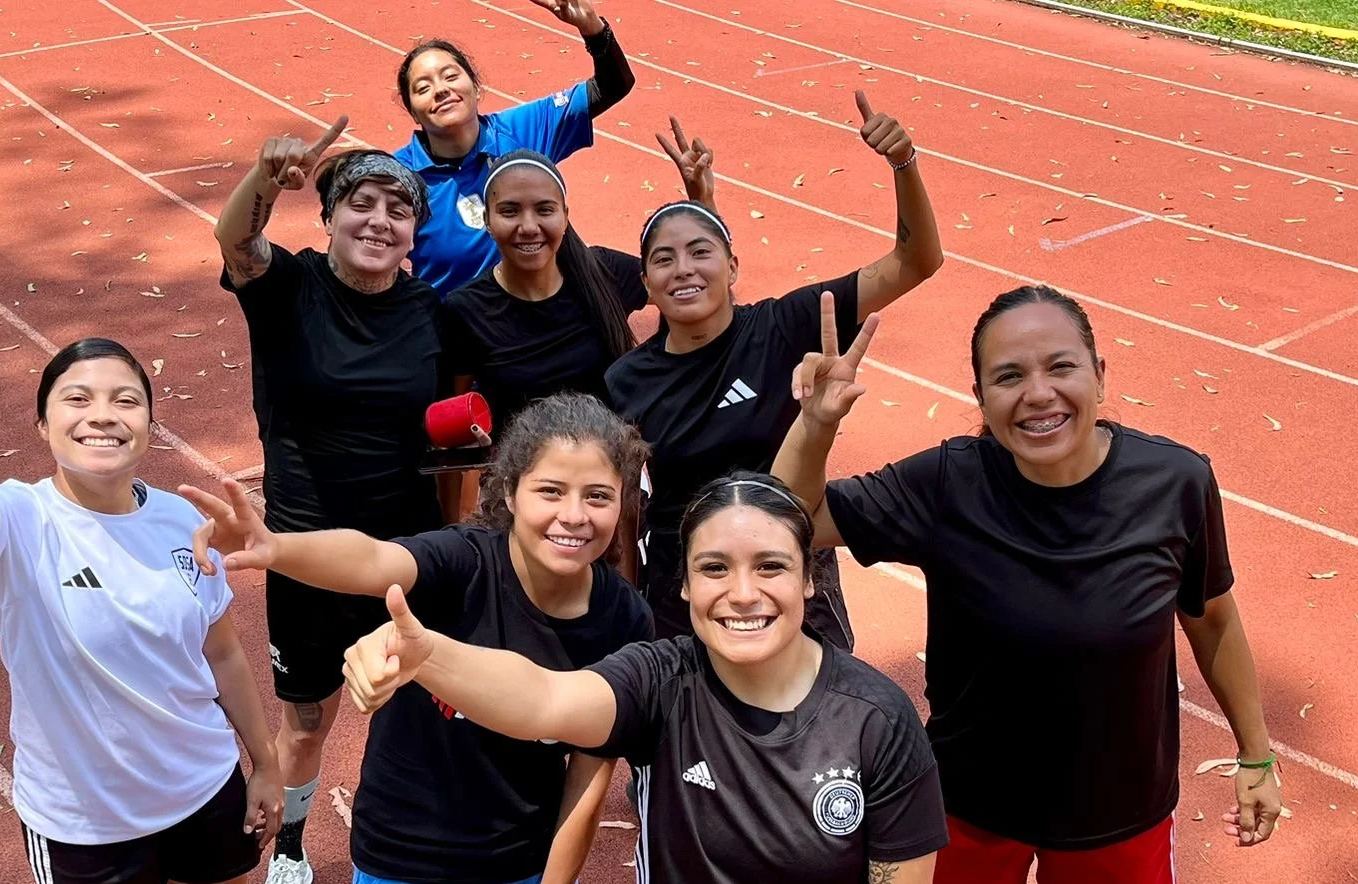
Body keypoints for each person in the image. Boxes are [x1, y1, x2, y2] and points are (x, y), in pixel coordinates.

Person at [770, 285, 1283, 883]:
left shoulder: (1175, 483)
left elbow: (1213, 618)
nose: (1038, 394)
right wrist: (815, 424)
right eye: (1009, 376)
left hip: (1120, 816)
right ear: (981, 398)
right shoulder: (946, 483)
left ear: (1099, 375)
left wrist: (1256, 754)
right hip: (968, 808)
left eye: (1061, 367)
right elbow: (786, 521)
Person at [338, 471, 949, 884]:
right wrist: (430, 656)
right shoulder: (660, 681)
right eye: (714, 568)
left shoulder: (877, 719)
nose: (742, 594)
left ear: (810, 579)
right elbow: (543, 697)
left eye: (771, 566)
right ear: (683, 586)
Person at [178, 393, 656, 884]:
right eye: (551, 491)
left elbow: (588, 781)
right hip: (401, 853)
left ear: (623, 500)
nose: (574, 515)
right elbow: (370, 559)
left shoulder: (623, 620)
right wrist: (276, 548)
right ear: (511, 492)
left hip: (518, 862)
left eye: (597, 495)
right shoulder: (461, 562)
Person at [0, 339, 283, 884]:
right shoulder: (20, 520)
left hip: (204, 786)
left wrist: (265, 764)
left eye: (126, 401)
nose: (102, 415)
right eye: (77, 399)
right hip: (85, 827)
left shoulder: (180, 518)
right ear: (42, 423)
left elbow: (221, 653)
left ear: (149, 424)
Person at [605, 90, 944, 645]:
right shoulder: (626, 379)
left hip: (790, 568)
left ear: (733, 266)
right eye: (662, 260)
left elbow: (915, 262)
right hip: (687, 584)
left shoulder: (783, 326)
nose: (682, 269)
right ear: (645, 284)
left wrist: (903, 164)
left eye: (701, 253)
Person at [214, 124, 450, 883]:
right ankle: (288, 847)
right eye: (362, 203)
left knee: (420, 710)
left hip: (404, 552)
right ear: (328, 218)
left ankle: (414, 848)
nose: (380, 220)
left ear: (415, 231)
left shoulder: (431, 312)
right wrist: (262, 174)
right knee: (307, 721)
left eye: (398, 209)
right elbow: (235, 242)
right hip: (306, 550)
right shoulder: (289, 286)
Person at [441, 119, 716, 427]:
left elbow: (702, 292)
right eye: (510, 211)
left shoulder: (602, 271)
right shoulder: (464, 309)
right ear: (487, 221)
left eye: (545, 210)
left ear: (565, 216)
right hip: (524, 472)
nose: (529, 227)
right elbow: (456, 416)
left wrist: (702, 203)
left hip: (612, 464)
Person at [392, 0, 635, 295]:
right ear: (413, 112)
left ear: (477, 87)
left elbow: (612, 86)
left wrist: (593, 30)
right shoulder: (398, 178)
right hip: (454, 331)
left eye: (451, 76)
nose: (441, 89)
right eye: (423, 87)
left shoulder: (521, 130)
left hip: (535, 322)